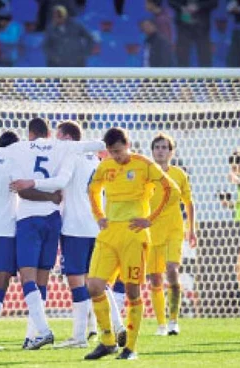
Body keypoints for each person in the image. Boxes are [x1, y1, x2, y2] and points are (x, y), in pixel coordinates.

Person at [0, 118, 105, 350]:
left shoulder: (19, 149)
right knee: (43, 281)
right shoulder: (61, 147)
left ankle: (43, 331)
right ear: (48, 133)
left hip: (28, 221)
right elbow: (98, 144)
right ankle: (32, 336)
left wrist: (4, 154)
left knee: (28, 279)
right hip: (54, 219)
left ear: (29, 134)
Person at [84, 127, 177, 360]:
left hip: (134, 235)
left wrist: (150, 219)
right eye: (111, 152)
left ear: (128, 145)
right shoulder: (105, 166)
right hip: (109, 234)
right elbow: (93, 189)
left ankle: (131, 348)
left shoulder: (144, 164)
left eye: (118, 151)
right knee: (94, 285)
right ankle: (107, 342)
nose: (115, 156)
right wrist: (99, 216)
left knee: (132, 291)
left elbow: (170, 190)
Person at [0, 130, 60, 350]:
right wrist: (51, 196)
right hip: (4, 231)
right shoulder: (11, 166)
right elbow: (24, 192)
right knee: (0, 286)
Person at [147, 133, 195, 336]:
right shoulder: (146, 174)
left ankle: (174, 321)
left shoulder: (179, 174)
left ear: (171, 151)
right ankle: (161, 324)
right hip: (150, 232)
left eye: (164, 147)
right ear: (152, 151)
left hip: (174, 230)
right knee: (155, 279)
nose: (160, 150)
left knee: (172, 271)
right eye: (157, 147)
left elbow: (188, 202)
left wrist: (191, 230)